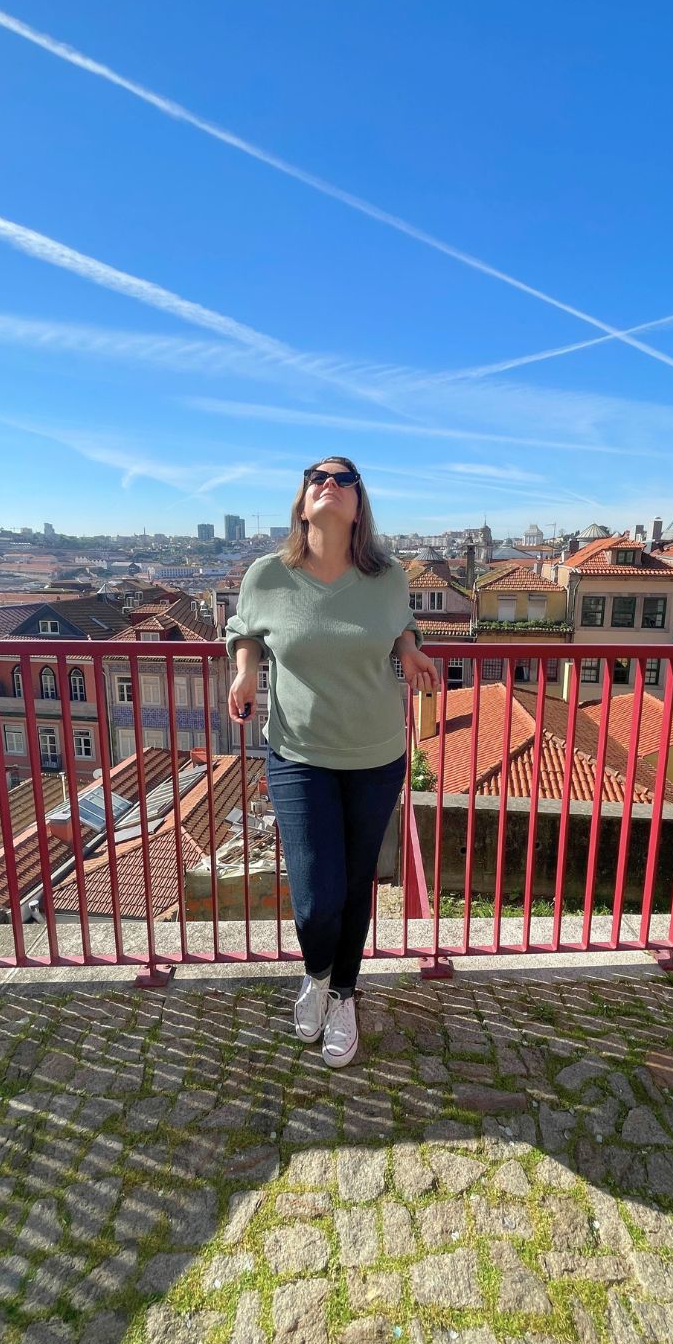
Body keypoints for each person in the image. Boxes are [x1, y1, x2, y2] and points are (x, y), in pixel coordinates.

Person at [225, 456, 440, 1067]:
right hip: (297, 752)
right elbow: (246, 630)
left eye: (345, 478)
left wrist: (409, 648)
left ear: (359, 504)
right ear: (301, 502)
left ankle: (344, 993)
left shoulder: (388, 576)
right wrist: (244, 673)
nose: (330, 484)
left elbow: (399, 623)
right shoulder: (268, 575)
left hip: (377, 755)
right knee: (318, 896)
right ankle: (317, 975)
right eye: (317, 477)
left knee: (355, 884)